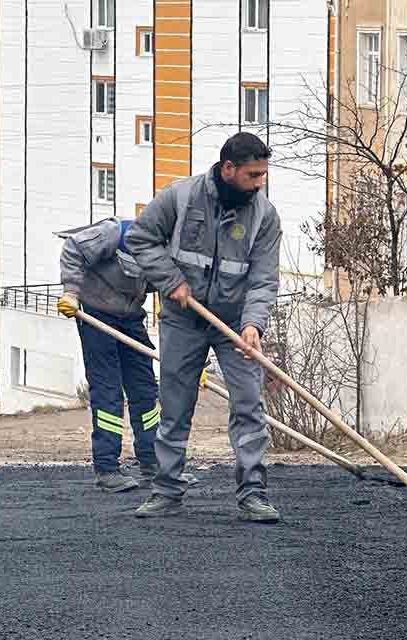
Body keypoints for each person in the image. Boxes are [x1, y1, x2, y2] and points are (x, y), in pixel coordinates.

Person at [124, 132, 283, 522]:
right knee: (175, 406)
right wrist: (170, 280)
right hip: (183, 319)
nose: (260, 182)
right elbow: (141, 239)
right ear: (228, 168)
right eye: (253, 174)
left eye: (263, 174)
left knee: (248, 405)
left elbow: (264, 279)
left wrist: (253, 325)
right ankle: (166, 490)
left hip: (233, 323)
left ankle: (253, 493)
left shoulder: (264, 216)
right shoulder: (180, 197)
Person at [56, 218, 200, 492]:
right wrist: (71, 293)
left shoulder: (169, 255)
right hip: (94, 313)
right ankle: (107, 468)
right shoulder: (116, 233)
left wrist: (190, 354)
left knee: (145, 390)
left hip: (130, 317)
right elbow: (73, 249)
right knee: (108, 391)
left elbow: (174, 300)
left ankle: (154, 462)